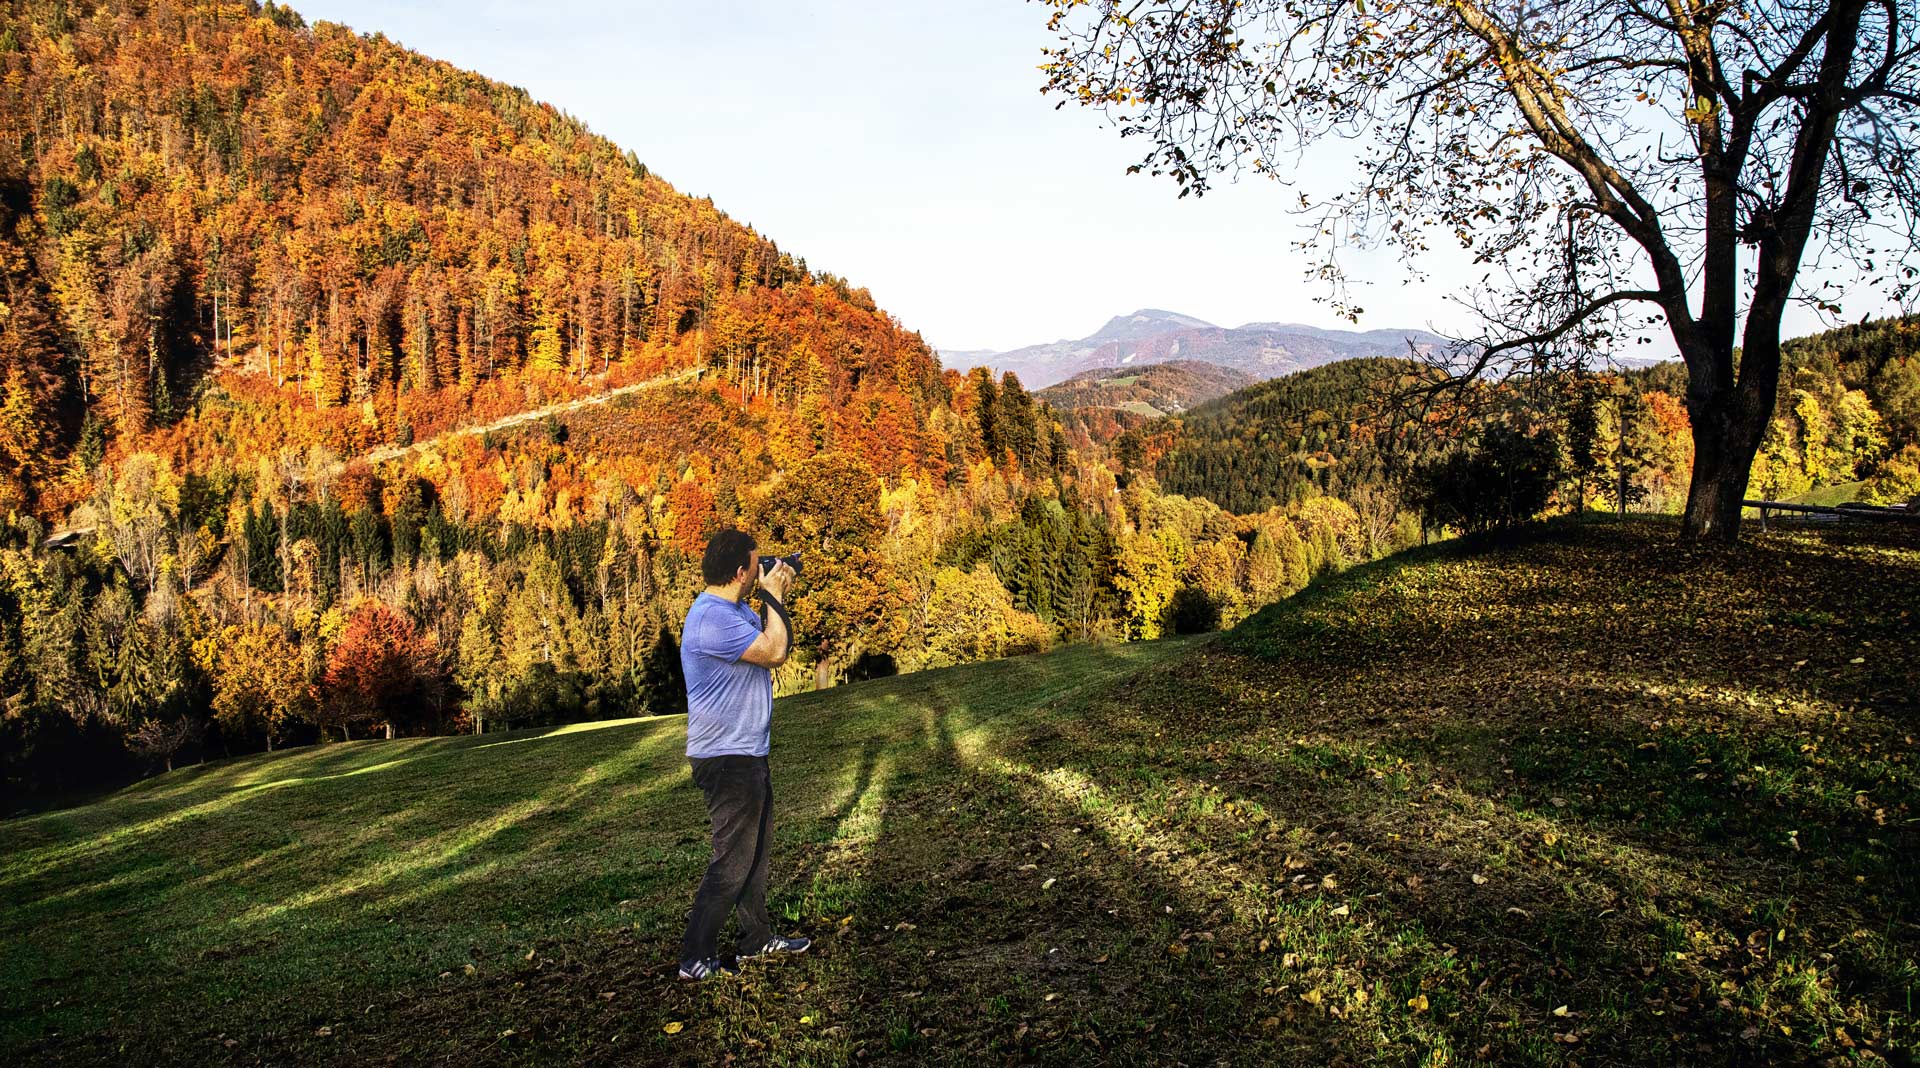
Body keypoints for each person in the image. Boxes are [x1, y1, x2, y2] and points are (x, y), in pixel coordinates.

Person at [676, 528, 811, 981]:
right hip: (726, 757)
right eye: (755, 566)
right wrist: (773, 594)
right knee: (732, 862)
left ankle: (755, 941)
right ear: (739, 573)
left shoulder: (731, 612)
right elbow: (776, 652)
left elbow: (775, 643)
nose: (759, 572)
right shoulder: (711, 618)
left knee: (754, 855)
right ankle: (695, 958)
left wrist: (771, 590)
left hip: (747, 751)